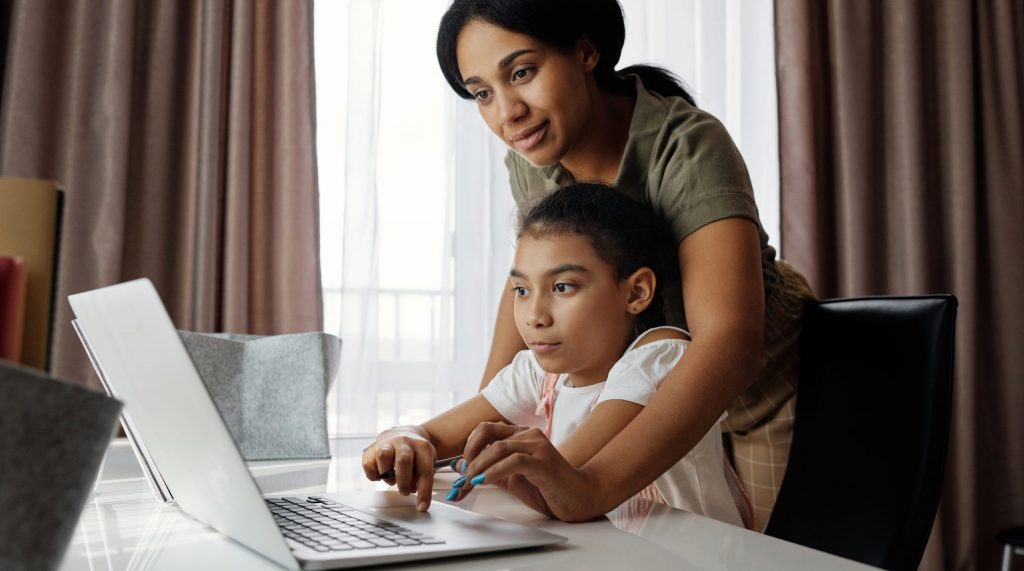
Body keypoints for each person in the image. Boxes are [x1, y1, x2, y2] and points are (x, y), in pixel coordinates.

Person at [432, 0, 815, 529]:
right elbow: (528, 282)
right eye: (481, 93)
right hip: (639, 393)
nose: (506, 112)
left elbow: (729, 342)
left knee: (759, 557)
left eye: (522, 72)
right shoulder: (530, 156)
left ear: (586, 51)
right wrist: (474, 442)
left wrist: (589, 486)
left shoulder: (686, 146)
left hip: (760, 391)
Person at [362, 184, 745, 527]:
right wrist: (401, 441)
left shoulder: (661, 357)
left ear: (635, 292)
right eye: (522, 290)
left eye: (562, 287)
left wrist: (481, 461)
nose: (535, 317)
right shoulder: (540, 373)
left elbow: (561, 478)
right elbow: (432, 433)